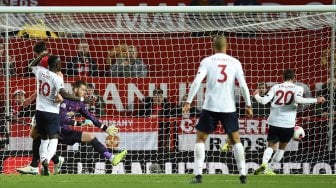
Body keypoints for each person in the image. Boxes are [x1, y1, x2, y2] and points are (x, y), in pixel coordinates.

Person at [183, 36, 252, 184]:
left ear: (213, 46)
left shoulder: (207, 61)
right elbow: (243, 85)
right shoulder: (235, 62)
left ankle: (198, 175)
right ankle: (243, 175)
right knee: (235, 140)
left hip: (210, 106)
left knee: (201, 139)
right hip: (229, 107)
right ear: (227, 46)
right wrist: (248, 104)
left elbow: (196, 82)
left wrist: (188, 101)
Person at [28, 54, 93, 176]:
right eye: (60, 63)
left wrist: (41, 56)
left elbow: (31, 65)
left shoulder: (40, 71)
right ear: (57, 65)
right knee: (53, 139)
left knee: (43, 138)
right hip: (52, 113)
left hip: (39, 112)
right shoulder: (56, 78)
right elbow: (65, 95)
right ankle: (46, 159)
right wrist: (82, 99)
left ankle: (42, 161)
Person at [253, 69, 326, 175]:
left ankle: (264, 163)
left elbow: (264, 101)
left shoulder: (275, 87)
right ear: (294, 78)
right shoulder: (298, 88)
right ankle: (270, 169)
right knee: (282, 148)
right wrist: (316, 100)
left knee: (270, 146)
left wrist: (256, 95)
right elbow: (298, 100)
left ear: (283, 77)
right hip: (287, 123)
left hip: (274, 122)